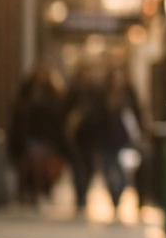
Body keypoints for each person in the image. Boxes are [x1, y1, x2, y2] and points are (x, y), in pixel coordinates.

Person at [7, 66, 66, 207]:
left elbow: (57, 119)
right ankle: (32, 192)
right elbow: (18, 119)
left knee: (43, 167)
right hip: (31, 137)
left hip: (46, 138)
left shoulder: (52, 97)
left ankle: (41, 191)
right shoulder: (27, 97)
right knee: (32, 166)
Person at [63, 65, 107, 217]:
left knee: (89, 168)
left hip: (92, 137)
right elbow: (63, 113)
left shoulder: (97, 93)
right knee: (78, 167)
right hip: (77, 138)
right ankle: (80, 195)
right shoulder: (73, 93)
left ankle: (84, 192)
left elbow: (102, 114)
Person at [102, 64, 143, 213]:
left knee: (124, 174)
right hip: (106, 141)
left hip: (124, 141)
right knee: (107, 171)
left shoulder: (129, 95)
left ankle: (118, 197)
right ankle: (113, 197)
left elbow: (137, 115)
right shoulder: (103, 95)